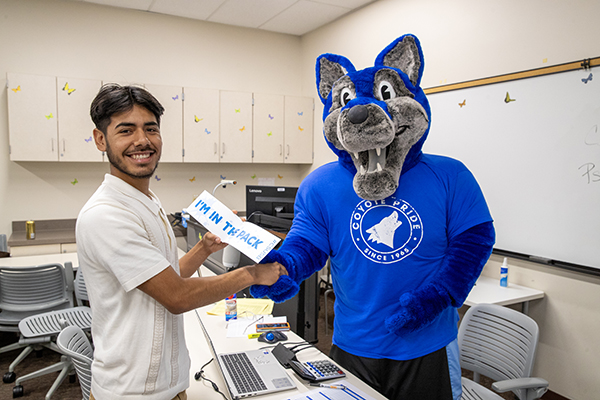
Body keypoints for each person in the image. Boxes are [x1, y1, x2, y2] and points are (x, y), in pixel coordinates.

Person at [76, 84, 287, 400]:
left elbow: (169, 276)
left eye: (151, 129)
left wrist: (204, 248)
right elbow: (175, 296)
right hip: (132, 391)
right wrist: (252, 275)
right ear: (100, 140)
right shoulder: (106, 215)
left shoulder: (147, 200)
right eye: (126, 130)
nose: (142, 140)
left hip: (169, 384)